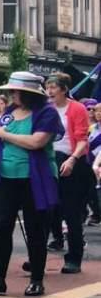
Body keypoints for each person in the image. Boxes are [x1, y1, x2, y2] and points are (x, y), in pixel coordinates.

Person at [0, 72, 62, 297]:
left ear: (28, 93)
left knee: (36, 229)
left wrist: (4, 134)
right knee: (1, 227)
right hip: (5, 177)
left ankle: (37, 279)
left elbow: (37, 142)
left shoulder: (47, 113)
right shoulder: (9, 112)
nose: (11, 94)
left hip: (35, 177)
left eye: (14, 91)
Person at [45, 73, 90, 273]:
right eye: (48, 87)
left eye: (54, 87)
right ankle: (38, 257)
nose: (50, 91)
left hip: (71, 161)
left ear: (64, 89)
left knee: (71, 212)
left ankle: (74, 258)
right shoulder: (46, 109)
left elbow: (82, 139)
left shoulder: (77, 108)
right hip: (48, 161)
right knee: (43, 211)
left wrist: (72, 159)